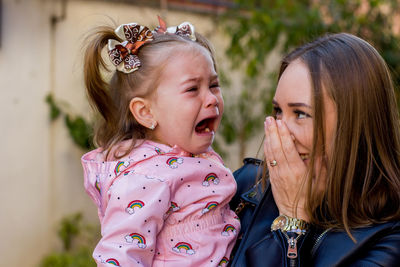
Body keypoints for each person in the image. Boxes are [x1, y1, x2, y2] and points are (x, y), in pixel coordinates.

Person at [230, 33, 400, 266]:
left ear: (353, 126)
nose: (281, 131)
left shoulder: (388, 240)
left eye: (300, 114)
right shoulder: (246, 187)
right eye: (278, 111)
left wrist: (292, 222)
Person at [81, 17, 239, 266]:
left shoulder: (188, 156)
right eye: (192, 89)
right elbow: (121, 255)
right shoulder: (146, 178)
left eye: (214, 85)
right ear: (146, 112)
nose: (211, 98)